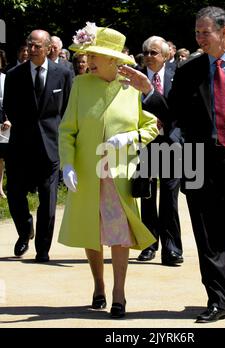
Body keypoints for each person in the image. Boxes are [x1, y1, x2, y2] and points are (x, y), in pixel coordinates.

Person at [118, 6, 225, 323]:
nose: (199, 38)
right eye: (196, 33)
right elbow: (172, 113)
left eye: (204, 32)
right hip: (200, 158)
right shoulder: (190, 70)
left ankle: (221, 286)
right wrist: (148, 90)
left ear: (224, 31)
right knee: (207, 236)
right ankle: (219, 299)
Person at [58, 23, 158, 318]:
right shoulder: (80, 85)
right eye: (87, 55)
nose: (87, 60)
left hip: (119, 176)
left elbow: (152, 125)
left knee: (119, 234)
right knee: (91, 233)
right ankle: (99, 284)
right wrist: (66, 163)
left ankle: (119, 292)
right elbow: (67, 131)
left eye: (94, 56)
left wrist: (130, 137)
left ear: (113, 60)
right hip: (87, 175)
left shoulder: (131, 88)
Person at [3, 29, 73, 262]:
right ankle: (25, 230)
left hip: (50, 146)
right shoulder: (14, 75)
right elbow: (10, 107)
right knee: (14, 193)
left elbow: (67, 109)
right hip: (21, 144)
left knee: (48, 200)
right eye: (29, 45)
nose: (31, 50)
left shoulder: (63, 74)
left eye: (36, 46)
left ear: (48, 48)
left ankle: (43, 248)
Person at [136, 36, 183, 266]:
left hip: (171, 142)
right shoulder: (136, 76)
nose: (149, 56)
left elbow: (184, 108)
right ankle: (149, 244)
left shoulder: (179, 74)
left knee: (169, 198)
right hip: (145, 143)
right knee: (146, 195)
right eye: (146, 52)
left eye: (154, 53)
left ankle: (172, 248)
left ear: (166, 55)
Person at [0, 49, 11, 198]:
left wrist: (8, 119)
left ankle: (0, 188)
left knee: (1, 157)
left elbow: (10, 101)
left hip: (3, 122)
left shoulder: (6, 78)